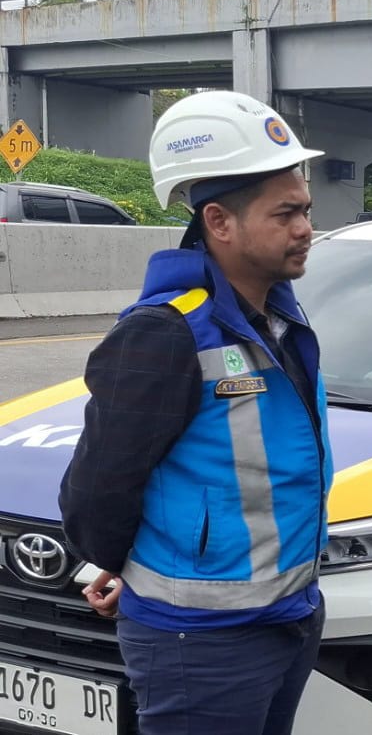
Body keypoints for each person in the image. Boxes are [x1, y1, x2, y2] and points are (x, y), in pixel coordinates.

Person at [59, 90, 332, 735]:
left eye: (306, 210)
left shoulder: (278, 317)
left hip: (286, 617)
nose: (305, 229)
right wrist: (152, 578)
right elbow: (98, 491)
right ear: (219, 222)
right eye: (286, 213)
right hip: (202, 642)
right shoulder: (165, 335)